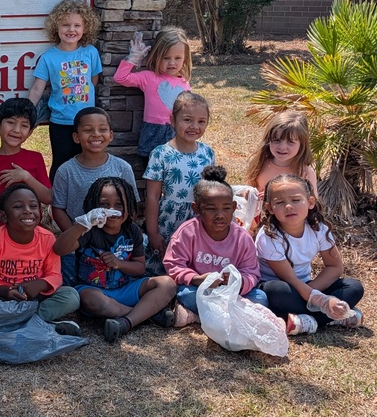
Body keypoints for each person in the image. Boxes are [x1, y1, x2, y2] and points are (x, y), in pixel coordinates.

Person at [54, 177, 176, 341]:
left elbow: (139, 268)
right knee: (89, 298)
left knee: (168, 284)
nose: (112, 209)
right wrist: (83, 224)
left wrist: (119, 263)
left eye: (119, 204)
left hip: (126, 288)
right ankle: (144, 315)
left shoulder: (133, 231)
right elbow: (59, 249)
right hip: (94, 290)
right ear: (93, 206)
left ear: (130, 206)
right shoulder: (89, 231)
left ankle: (127, 321)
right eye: (104, 205)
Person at [256, 174, 364, 335]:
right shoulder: (268, 237)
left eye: (296, 200)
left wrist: (314, 294)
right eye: (280, 202)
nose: (288, 206)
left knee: (353, 287)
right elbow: (290, 279)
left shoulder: (319, 229)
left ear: (311, 202)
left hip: (307, 286)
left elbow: (334, 267)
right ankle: (331, 317)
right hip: (282, 287)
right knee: (276, 290)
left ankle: (309, 320)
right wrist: (324, 301)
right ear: (270, 208)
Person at [164, 166, 268, 328]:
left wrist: (238, 282)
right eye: (211, 209)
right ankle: (227, 317)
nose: (220, 215)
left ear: (234, 207)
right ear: (196, 208)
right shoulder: (187, 232)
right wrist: (197, 279)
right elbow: (173, 265)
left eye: (226, 208)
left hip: (231, 293)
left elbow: (251, 272)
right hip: (199, 289)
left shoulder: (242, 238)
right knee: (185, 294)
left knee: (260, 298)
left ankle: (199, 316)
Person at [0, 183, 82, 334]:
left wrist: (42, 284)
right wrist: (4, 290)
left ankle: (31, 321)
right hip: (3, 299)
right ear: (4, 216)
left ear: (40, 212)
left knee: (71, 296)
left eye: (33, 206)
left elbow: (55, 276)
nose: (27, 211)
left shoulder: (47, 239)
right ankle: (37, 325)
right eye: (18, 207)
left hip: (35, 298)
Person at [51, 107, 139, 284]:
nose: (96, 134)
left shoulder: (122, 168)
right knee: (70, 280)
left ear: (111, 135)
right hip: (79, 238)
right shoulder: (66, 171)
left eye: (102, 129)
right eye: (88, 130)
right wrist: (75, 233)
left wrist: (119, 234)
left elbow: (132, 205)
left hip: (116, 239)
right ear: (76, 137)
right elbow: (58, 207)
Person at [26, 0, 103, 182]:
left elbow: (93, 80)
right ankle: (56, 203)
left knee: (87, 161)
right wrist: (27, 111)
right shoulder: (48, 57)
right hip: (60, 120)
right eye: (66, 25)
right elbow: (38, 88)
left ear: (85, 27)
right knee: (61, 162)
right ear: (56, 27)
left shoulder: (90, 52)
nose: (71, 30)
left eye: (77, 25)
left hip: (86, 120)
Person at [143, 92, 215, 258]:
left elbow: (212, 190)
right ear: (173, 120)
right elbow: (152, 196)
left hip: (199, 219)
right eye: (187, 120)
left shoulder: (207, 153)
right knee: (167, 259)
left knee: (194, 260)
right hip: (170, 219)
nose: (194, 126)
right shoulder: (160, 153)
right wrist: (153, 233)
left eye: (201, 121)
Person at [0, 97, 51, 233]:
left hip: (31, 232)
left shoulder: (35, 158)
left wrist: (26, 177)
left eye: (24, 125)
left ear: (30, 132)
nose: (16, 130)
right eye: (11, 122)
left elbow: (48, 198)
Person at [112, 27, 192, 156]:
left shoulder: (184, 83)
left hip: (177, 133)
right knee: (152, 172)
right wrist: (133, 59)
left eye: (178, 58)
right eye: (166, 58)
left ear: (185, 58)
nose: (172, 62)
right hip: (154, 133)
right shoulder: (149, 77)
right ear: (156, 56)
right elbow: (120, 78)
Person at [246, 110, 318, 200]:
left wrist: (274, 196)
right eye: (277, 140)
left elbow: (312, 203)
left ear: (302, 144)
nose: (282, 147)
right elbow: (249, 189)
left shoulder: (305, 173)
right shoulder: (260, 164)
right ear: (268, 140)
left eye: (290, 142)